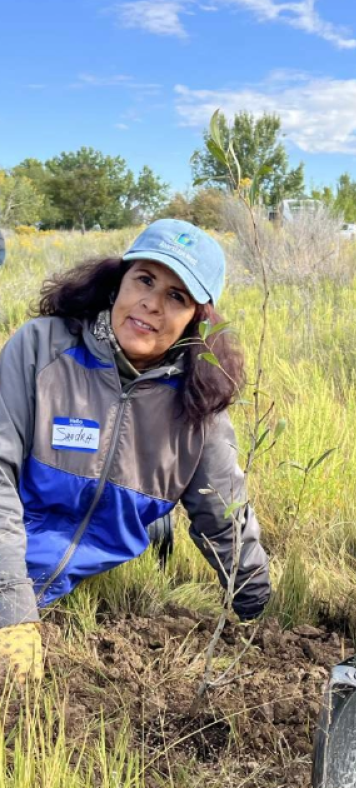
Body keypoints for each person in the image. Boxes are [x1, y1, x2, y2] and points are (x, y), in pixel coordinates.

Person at [0, 219, 271, 683]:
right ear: (117, 281)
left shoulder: (199, 401)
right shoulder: (41, 347)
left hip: (71, 574)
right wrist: (11, 600)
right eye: (144, 279)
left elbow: (222, 511)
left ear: (196, 320)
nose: (152, 303)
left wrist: (254, 604)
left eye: (177, 296)